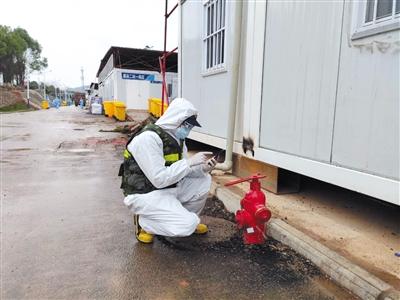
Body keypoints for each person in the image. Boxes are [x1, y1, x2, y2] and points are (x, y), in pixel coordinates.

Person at [122, 98, 217, 244]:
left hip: (169, 188)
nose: (189, 129)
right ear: (176, 119)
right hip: (146, 194)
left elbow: (183, 170)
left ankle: (187, 218)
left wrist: (203, 167)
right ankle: (146, 223)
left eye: (190, 126)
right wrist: (189, 162)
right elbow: (159, 179)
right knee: (187, 225)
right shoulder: (148, 138)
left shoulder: (178, 139)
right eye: (187, 125)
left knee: (204, 179)